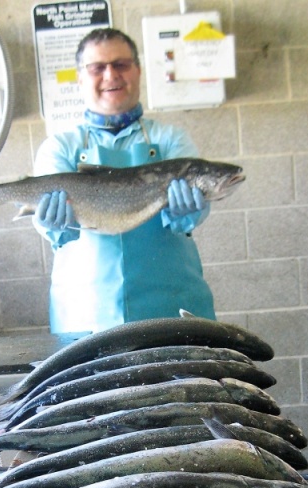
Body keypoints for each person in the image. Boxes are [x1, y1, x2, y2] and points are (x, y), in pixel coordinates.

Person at [33, 27, 215, 334]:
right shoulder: (60, 147)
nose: (110, 75)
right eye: (97, 68)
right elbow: (48, 226)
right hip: (85, 315)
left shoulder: (171, 140)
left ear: (138, 71)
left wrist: (192, 211)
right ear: (80, 78)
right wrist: (49, 223)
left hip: (172, 307)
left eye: (121, 65)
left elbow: (197, 212)